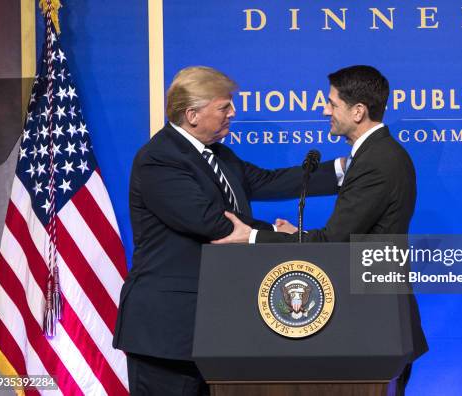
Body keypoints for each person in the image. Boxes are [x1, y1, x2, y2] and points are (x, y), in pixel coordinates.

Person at [112, 66, 339, 395]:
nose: (233, 112)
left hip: (214, 326)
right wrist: (279, 236)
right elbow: (213, 224)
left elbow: (268, 181)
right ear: (192, 114)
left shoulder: (218, 155)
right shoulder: (159, 159)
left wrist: (347, 170)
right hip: (168, 331)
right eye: (224, 106)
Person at [213, 65, 428, 395]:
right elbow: (351, 232)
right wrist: (289, 236)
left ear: (358, 111)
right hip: (376, 320)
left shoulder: (378, 160)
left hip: (375, 321)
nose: (324, 109)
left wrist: (253, 236)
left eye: (332, 103)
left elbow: (334, 241)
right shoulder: (376, 155)